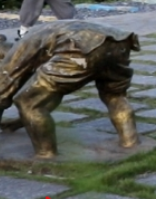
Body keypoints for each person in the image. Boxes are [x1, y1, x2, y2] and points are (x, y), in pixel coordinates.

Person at [0, 21, 140, 158]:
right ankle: (130, 142)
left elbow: (3, 89)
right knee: (114, 96)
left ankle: (46, 155)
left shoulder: (20, 50)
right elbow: (48, 96)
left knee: (28, 103)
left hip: (81, 48)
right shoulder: (38, 38)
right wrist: (19, 122)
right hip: (118, 42)